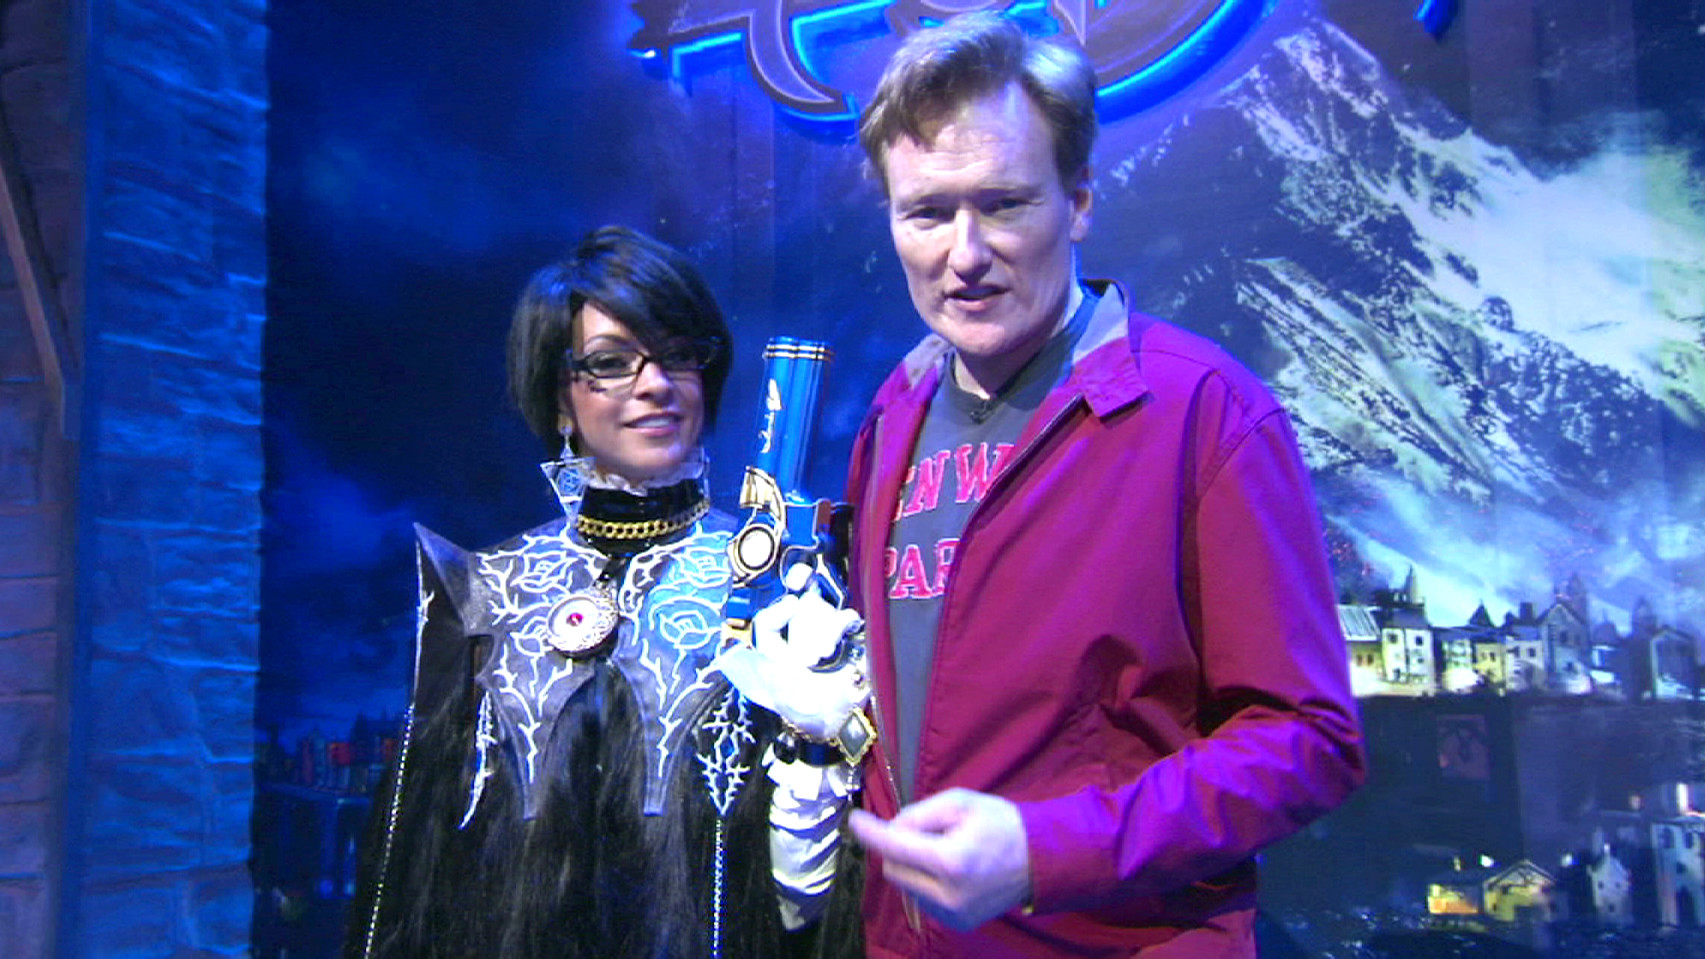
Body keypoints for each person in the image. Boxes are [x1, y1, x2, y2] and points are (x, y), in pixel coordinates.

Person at [836, 14, 1368, 957]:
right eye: (927, 213)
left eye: (1003, 203)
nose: (964, 252)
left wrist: (1047, 850)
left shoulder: (1203, 410)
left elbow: (1308, 738)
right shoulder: (893, 412)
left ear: (1077, 200)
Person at [344, 225, 861, 958]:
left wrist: (819, 741)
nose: (655, 384)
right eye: (612, 363)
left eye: (678, 355)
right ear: (560, 398)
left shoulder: (776, 582)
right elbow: (411, 874)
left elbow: (812, 900)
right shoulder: (485, 589)